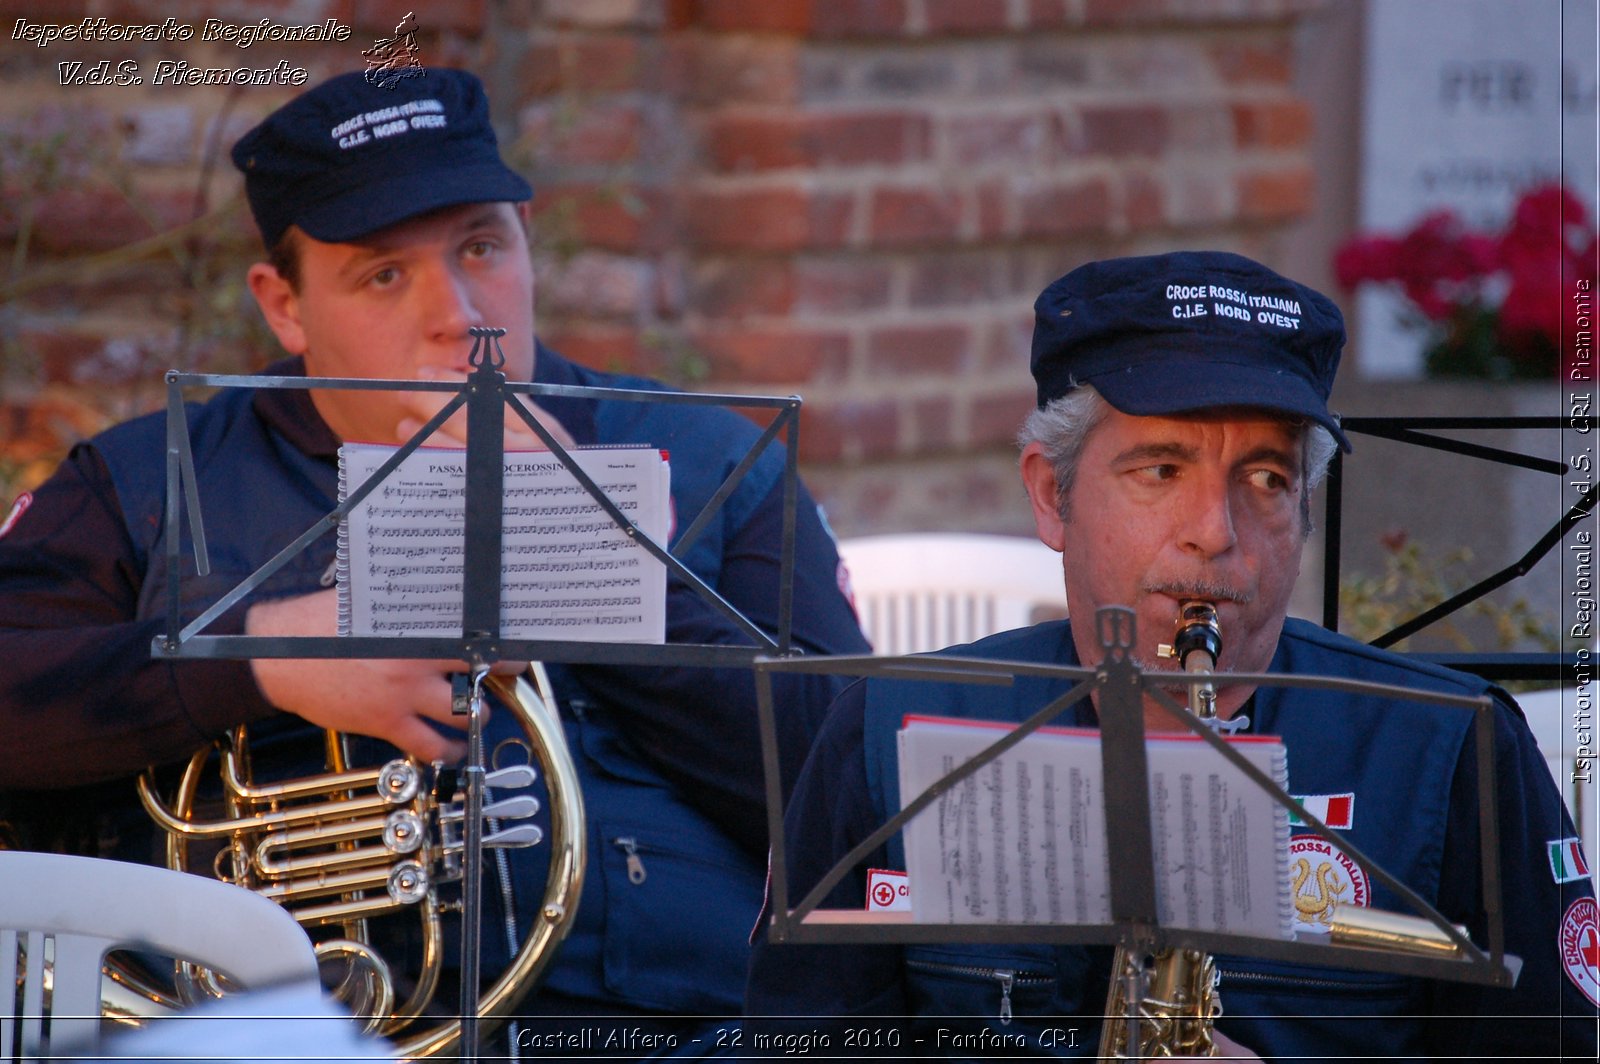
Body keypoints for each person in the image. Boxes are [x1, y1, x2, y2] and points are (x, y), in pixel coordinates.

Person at [0, 69, 869, 1051]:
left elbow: (859, 794)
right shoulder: (144, 483)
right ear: (283, 306)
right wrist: (260, 654)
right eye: (383, 273)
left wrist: (587, 552)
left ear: (529, 243)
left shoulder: (713, 460)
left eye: (481, 247)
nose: (458, 312)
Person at [746, 251, 1599, 1059]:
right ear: (1053, 495)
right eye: (1161, 470)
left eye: (1266, 479)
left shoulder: (1453, 750)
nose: (1215, 534)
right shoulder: (882, 728)